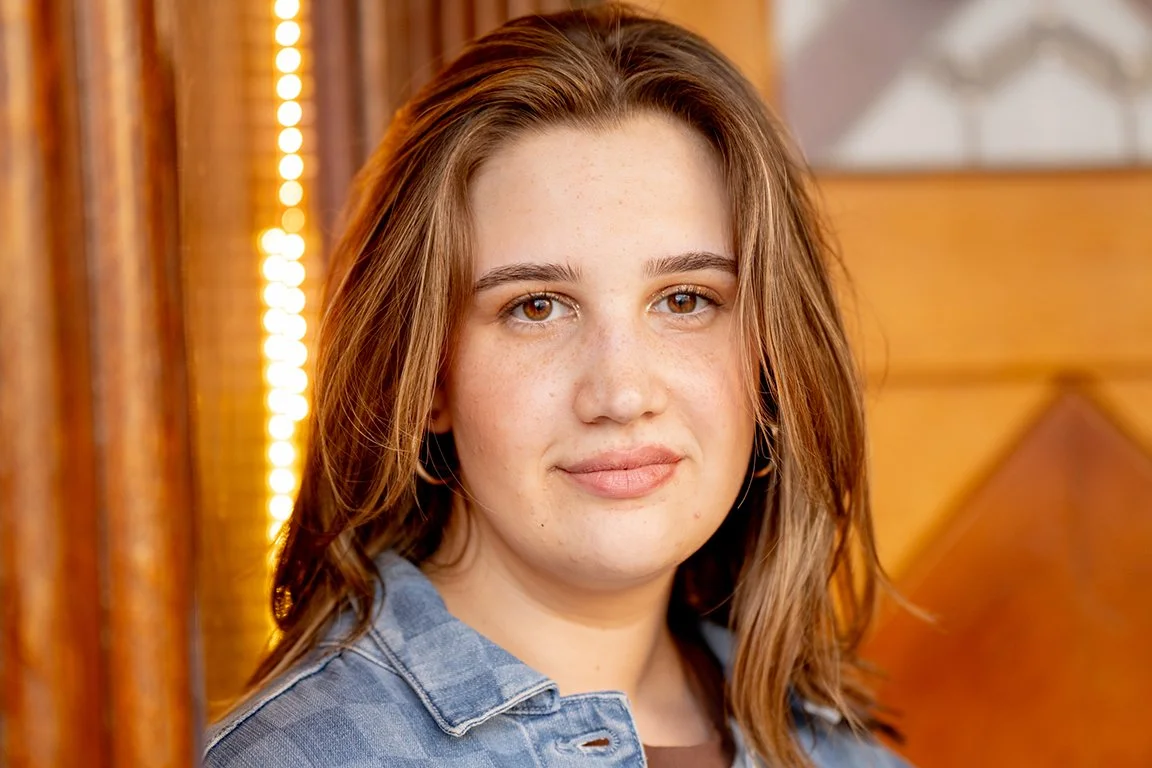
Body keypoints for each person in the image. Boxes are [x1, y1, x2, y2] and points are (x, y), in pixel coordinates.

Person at [204, 4, 909, 766]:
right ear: (427, 376)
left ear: (773, 357)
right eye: (536, 307)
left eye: (685, 300)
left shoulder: (846, 757)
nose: (622, 393)